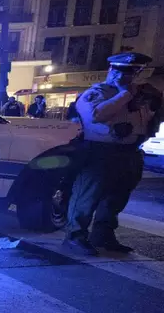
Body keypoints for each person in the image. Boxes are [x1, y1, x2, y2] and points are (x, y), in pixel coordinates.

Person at [63, 52, 163, 256]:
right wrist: (124, 95)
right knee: (86, 196)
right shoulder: (98, 92)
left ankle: (103, 235)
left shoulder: (142, 95)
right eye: (123, 71)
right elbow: (95, 115)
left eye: (134, 71)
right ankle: (75, 236)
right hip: (100, 152)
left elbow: (150, 120)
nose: (128, 76)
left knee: (116, 197)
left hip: (129, 152)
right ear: (112, 70)